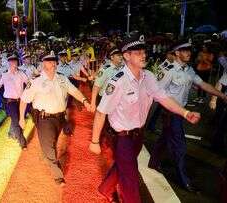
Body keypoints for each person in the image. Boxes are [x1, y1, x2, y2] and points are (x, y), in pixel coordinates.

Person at [89, 35, 201, 203]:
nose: (143, 55)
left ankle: (105, 188)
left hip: (138, 135)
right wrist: (94, 141)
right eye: (138, 52)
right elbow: (101, 112)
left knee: (124, 167)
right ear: (126, 56)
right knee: (131, 179)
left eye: (144, 51)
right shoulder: (118, 80)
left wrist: (185, 113)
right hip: (121, 138)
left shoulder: (148, 76)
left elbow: (163, 98)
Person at [148, 39, 227, 193]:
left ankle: (153, 162)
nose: (188, 53)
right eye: (184, 50)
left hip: (180, 112)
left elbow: (203, 84)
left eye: (189, 50)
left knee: (165, 137)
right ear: (177, 53)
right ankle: (183, 180)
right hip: (170, 112)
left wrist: (222, 96)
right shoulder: (168, 70)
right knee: (180, 146)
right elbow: (157, 92)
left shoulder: (188, 70)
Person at [19, 51, 92, 186]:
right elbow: (24, 100)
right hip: (44, 119)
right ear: (43, 64)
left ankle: (49, 154)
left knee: (53, 143)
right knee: (49, 147)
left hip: (60, 118)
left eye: (54, 61)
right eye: (49, 61)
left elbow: (74, 91)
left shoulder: (62, 78)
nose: (53, 63)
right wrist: (21, 119)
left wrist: (85, 101)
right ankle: (58, 175)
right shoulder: (36, 81)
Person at [0, 54, 28, 149]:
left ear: (17, 63)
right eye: (11, 62)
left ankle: (11, 133)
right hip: (10, 102)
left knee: (20, 118)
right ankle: (22, 142)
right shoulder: (5, 75)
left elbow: (28, 83)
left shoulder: (22, 73)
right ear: (8, 63)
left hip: (21, 101)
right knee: (16, 121)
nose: (13, 63)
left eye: (15, 61)